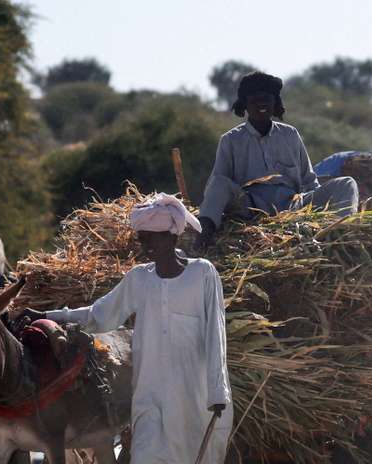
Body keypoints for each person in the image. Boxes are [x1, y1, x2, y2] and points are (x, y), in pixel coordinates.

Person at [27, 193, 232, 464]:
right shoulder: (139, 279)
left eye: (151, 237)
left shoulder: (203, 274)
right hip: (150, 397)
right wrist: (47, 315)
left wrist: (218, 393)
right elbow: (98, 316)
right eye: (142, 238)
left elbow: (215, 336)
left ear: (171, 237)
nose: (144, 245)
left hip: (197, 400)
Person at [197, 71, 359, 248]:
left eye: (266, 99)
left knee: (346, 183)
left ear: (275, 103)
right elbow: (217, 186)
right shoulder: (231, 140)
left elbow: (309, 181)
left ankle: (341, 235)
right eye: (254, 99)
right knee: (219, 182)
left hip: (294, 205)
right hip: (250, 208)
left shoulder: (290, 135)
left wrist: (317, 206)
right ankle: (203, 236)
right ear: (245, 104)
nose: (261, 104)